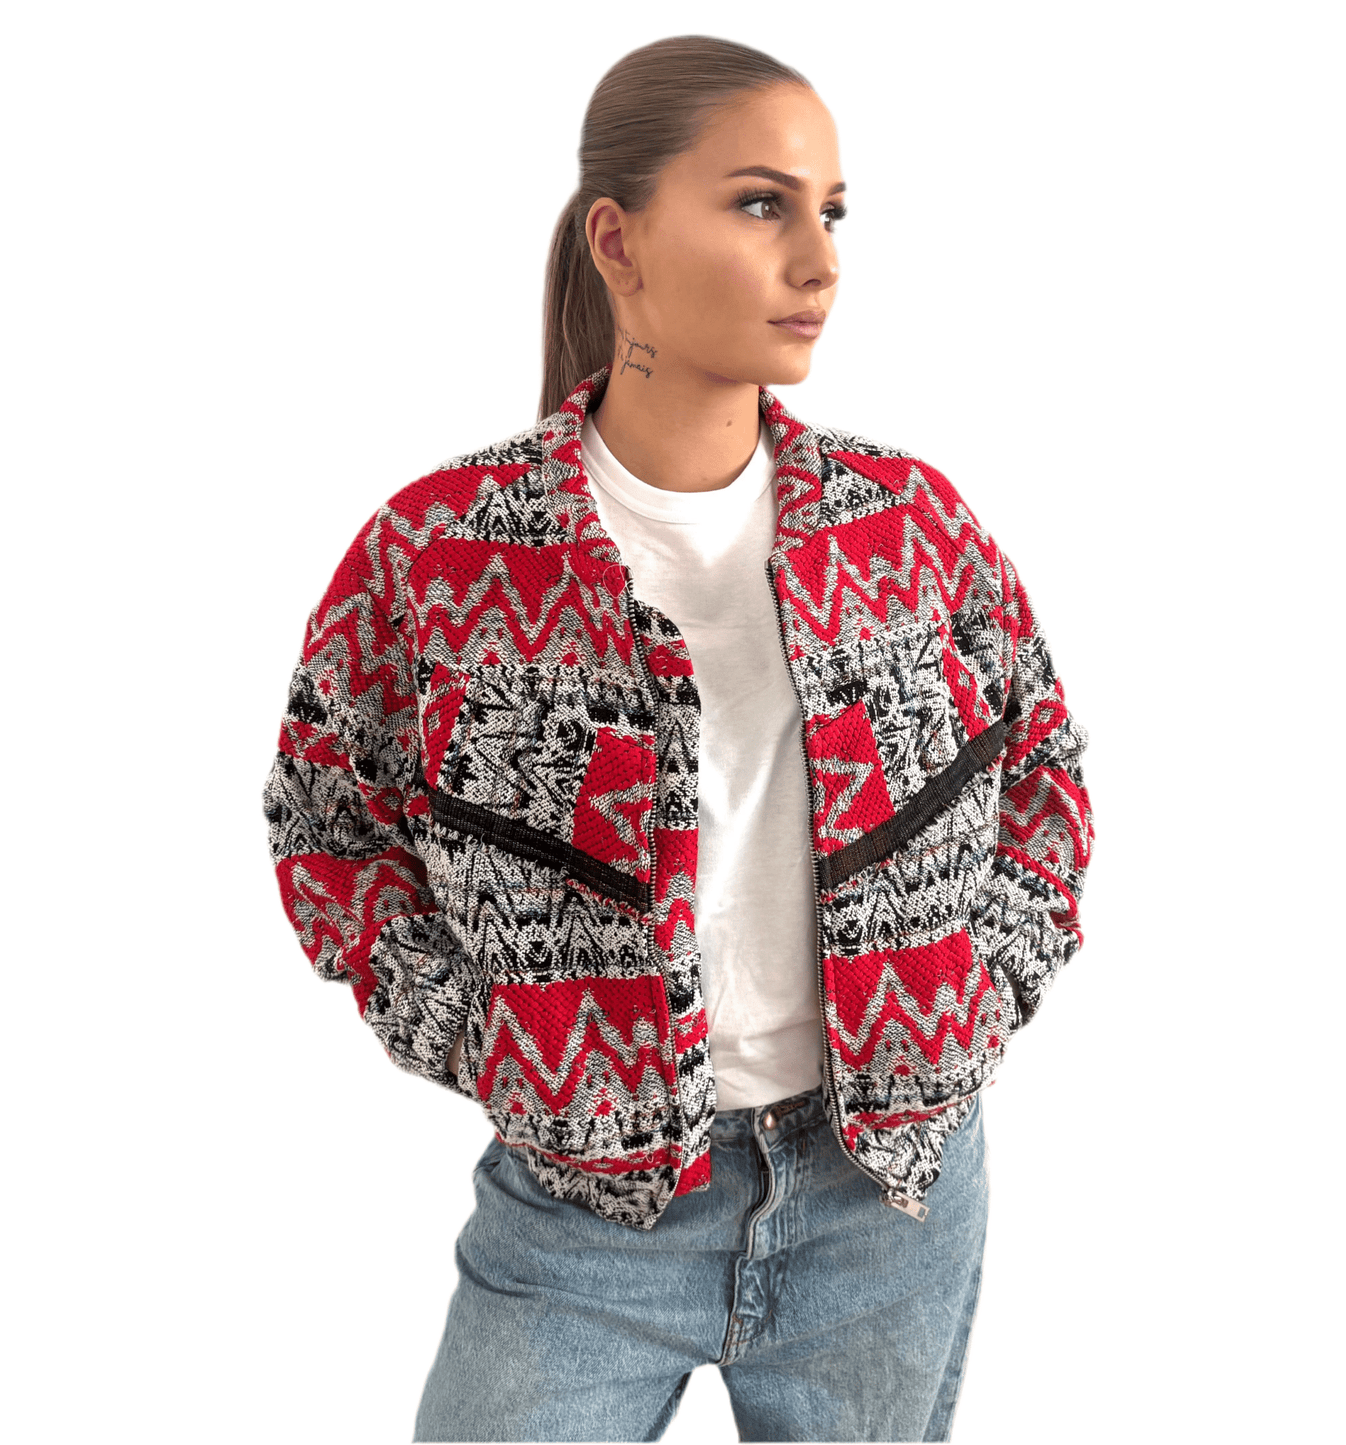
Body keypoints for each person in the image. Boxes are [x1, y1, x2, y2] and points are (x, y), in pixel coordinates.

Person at [262, 33, 1095, 1444]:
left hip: (887, 1204)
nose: (818, 262)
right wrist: (495, 1042)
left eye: (832, 212)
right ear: (618, 240)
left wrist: (970, 1005)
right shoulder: (445, 552)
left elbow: (1044, 776)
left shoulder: (906, 528)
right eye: (763, 204)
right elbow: (325, 821)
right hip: (580, 1216)